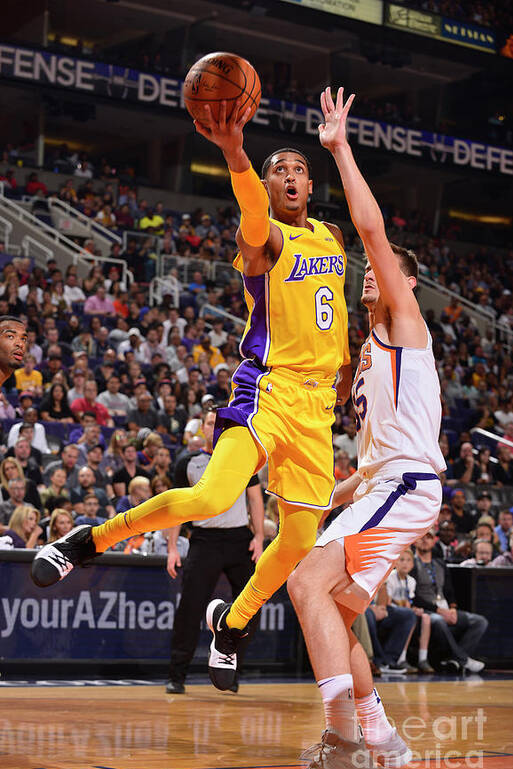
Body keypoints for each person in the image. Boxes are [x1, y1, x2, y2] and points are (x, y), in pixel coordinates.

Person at [32, 91, 353, 696]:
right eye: (277, 168)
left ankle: (230, 625)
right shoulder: (267, 243)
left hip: (318, 410)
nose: (287, 175)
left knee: (304, 540)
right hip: (269, 389)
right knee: (212, 497)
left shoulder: (332, 237)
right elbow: (254, 215)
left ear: (311, 187)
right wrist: (236, 152)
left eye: (297, 169)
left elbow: (348, 279)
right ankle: (87, 539)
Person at [275, 87, 446, 769]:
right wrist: (329, 494)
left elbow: (370, 230)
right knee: (332, 608)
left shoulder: (404, 322)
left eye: (386, 268)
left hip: (406, 487)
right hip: (388, 485)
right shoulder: (369, 350)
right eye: (371, 270)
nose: (372, 270)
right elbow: (374, 460)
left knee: (304, 581)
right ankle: (376, 732)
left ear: (407, 283)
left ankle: (342, 743)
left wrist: (339, 148)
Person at [166, 409, 264, 694]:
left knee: (251, 606)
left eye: (219, 422)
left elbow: (255, 500)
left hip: (238, 539)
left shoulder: (244, 456)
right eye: (210, 423)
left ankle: (232, 673)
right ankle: (177, 676)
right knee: (189, 608)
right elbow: (175, 506)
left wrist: (258, 536)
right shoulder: (188, 462)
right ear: (203, 429)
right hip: (204, 538)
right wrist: (172, 546)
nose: (215, 427)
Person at [412, 531, 488, 673]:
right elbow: (415, 597)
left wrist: (453, 608)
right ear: (414, 541)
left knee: (480, 621)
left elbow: (449, 590)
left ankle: (455, 659)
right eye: (421, 537)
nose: (424, 541)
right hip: (428, 611)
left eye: (428, 537)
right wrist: (439, 611)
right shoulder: (411, 564)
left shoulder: (440, 563)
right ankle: (463, 659)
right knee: (438, 621)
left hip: (446, 608)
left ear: (434, 541)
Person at [386, 549, 434, 673]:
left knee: (426, 617)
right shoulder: (390, 577)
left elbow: (409, 601)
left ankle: (423, 659)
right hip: (391, 611)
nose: (405, 564)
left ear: (413, 564)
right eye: (401, 560)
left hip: (405, 611)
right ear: (395, 562)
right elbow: (388, 602)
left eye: (408, 560)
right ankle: (401, 658)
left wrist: (415, 609)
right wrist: (407, 608)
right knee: (409, 615)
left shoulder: (411, 581)